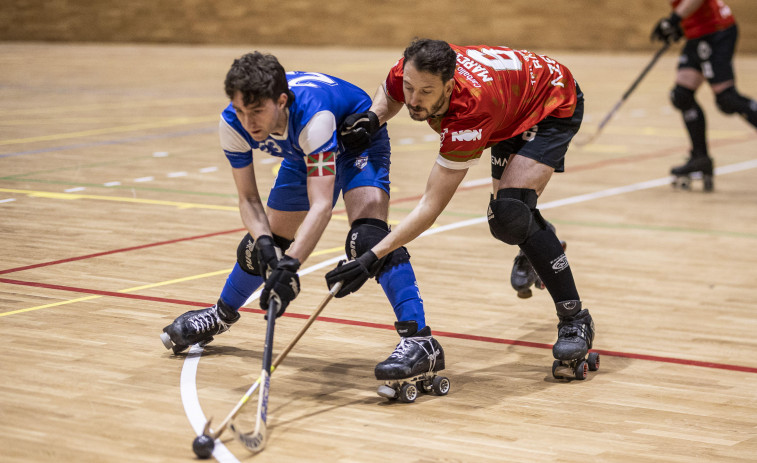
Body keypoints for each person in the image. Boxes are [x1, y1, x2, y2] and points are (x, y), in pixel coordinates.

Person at [161, 52, 444, 388]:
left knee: (368, 239)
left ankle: (420, 340)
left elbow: (321, 205)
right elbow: (249, 199)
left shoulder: (314, 118)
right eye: (240, 110)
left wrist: (290, 266)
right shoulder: (233, 123)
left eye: (257, 112)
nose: (249, 123)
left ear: (282, 101)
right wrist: (268, 248)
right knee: (255, 248)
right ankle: (220, 315)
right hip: (302, 151)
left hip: (355, 142)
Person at [325, 39, 596, 376]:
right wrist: (373, 117)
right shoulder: (413, 68)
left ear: (450, 86)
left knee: (510, 216)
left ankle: (575, 319)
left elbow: (430, 206)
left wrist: (371, 258)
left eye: (425, 92)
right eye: (410, 87)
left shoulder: (469, 112)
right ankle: (540, 239)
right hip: (509, 102)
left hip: (550, 102)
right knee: (513, 220)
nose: (413, 99)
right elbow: (390, 90)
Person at [651, 0, 757, 191]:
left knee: (727, 98)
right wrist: (683, 26)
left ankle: (700, 157)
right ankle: (700, 158)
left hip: (717, 31)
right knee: (682, 95)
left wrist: (674, 20)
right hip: (699, 33)